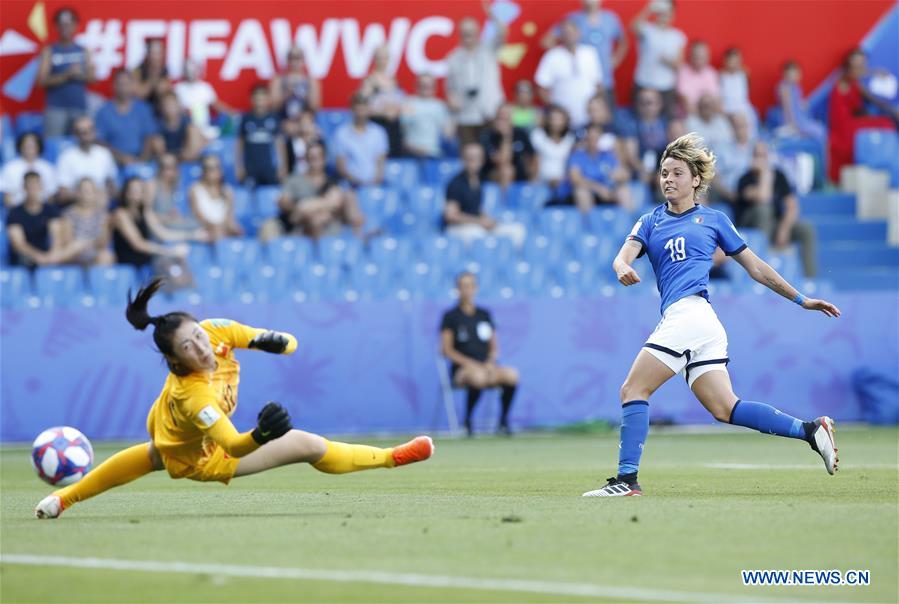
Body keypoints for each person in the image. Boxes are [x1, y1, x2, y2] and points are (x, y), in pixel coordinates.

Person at [34, 277, 435, 519]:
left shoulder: (214, 330)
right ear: (174, 360)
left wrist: (272, 342)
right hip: (205, 456)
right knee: (310, 445)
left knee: (153, 455)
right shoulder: (194, 396)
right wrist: (261, 434)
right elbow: (233, 445)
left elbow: (290, 343)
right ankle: (64, 498)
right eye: (189, 347)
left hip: (174, 433)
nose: (201, 347)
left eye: (198, 336)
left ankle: (60, 498)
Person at [581, 133, 840, 498]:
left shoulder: (714, 219)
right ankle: (811, 430)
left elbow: (757, 268)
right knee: (725, 407)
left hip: (691, 315)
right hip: (698, 323)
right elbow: (623, 254)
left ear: (696, 180)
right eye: (663, 173)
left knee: (633, 389)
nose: (667, 179)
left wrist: (801, 299)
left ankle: (627, 480)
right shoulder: (650, 221)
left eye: (676, 173)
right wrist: (621, 266)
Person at [441, 272, 519, 436]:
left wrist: (490, 362)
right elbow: (447, 350)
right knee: (478, 378)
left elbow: (494, 346)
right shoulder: (450, 317)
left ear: (475, 288)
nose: (467, 290)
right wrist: (471, 364)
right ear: (458, 289)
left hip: (487, 366)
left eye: (470, 286)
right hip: (463, 369)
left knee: (512, 375)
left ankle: (503, 421)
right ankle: (468, 421)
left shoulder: (484, 315)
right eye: (463, 286)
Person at [735, 142, 818, 277]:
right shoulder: (745, 179)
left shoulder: (779, 176)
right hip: (751, 227)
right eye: (757, 155)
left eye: (764, 155)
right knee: (764, 210)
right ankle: (763, 271)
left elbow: (793, 206)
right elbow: (763, 197)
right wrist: (764, 175)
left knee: (806, 229)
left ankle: (810, 279)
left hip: (775, 224)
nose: (761, 159)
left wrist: (784, 229)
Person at [264, 141, 364, 240]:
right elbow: (286, 203)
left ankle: (360, 241)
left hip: (328, 223)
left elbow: (336, 203)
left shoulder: (332, 181)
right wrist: (304, 210)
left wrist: (307, 206)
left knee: (348, 199)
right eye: (311, 158)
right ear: (306, 160)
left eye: (318, 157)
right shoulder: (294, 180)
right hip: (301, 225)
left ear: (324, 159)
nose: (315, 161)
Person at [541, 0, 628, 109]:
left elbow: (623, 42)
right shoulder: (573, 18)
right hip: (580, 84)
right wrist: (563, 56)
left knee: (606, 119)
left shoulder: (611, 19)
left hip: (605, 80)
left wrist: (616, 59)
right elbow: (546, 41)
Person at [827, 49, 897, 183]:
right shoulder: (844, 79)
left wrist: (893, 110)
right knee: (886, 124)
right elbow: (856, 76)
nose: (861, 66)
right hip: (843, 125)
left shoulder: (856, 82)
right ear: (849, 63)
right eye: (858, 63)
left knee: (886, 121)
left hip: (854, 120)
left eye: (863, 62)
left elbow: (874, 100)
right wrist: (876, 71)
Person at [445, 2, 507, 145]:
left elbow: (503, 33)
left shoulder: (488, 49)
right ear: (460, 35)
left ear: (478, 33)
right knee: (469, 154)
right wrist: (452, 100)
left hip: (490, 112)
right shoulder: (454, 57)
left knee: (492, 153)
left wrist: (493, 16)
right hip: (466, 115)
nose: (468, 38)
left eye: (471, 34)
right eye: (465, 34)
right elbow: (450, 88)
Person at [443, 143, 526, 246]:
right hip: (459, 228)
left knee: (517, 230)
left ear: (481, 161)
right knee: (478, 235)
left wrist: (488, 220)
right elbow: (451, 216)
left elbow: (476, 209)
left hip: (476, 224)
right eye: (469, 158)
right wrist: (479, 222)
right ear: (463, 159)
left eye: (475, 158)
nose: (472, 161)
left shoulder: (478, 180)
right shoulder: (455, 183)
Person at [534, 18, 603, 130]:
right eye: (565, 33)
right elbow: (541, 87)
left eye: (572, 32)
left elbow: (598, 84)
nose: (569, 36)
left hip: (588, 119)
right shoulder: (552, 55)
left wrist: (598, 110)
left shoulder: (590, 53)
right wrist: (555, 111)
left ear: (578, 33)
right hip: (562, 122)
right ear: (561, 36)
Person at [37, 7, 94, 137]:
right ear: (56, 26)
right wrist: (66, 75)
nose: (65, 28)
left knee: (79, 147)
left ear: (76, 25)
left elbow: (93, 78)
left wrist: (80, 74)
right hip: (55, 108)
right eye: (62, 25)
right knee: (54, 146)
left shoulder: (84, 50)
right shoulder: (49, 51)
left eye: (69, 24)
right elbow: (41, 81)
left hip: (79, 107)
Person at [111, 177, 188, 273]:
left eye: (140, 190)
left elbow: (163, 233)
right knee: (168, 265)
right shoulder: (120, 214)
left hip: (146, 259)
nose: (136, 193)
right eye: (133, 190)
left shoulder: (145, 211)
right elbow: (138, 244)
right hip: (129, 261)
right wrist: (169, 251)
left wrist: (192, 235)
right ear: (126, 192)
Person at [5, 172, 78, 267]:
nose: (33, 190)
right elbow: (19, 244)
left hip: (48, 255)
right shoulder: (15, 213)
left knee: (74, 248)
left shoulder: (50, 210)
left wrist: (52, 254)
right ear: (24, 188)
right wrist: (38, 256)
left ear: (41, 187)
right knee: (26, 259)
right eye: (30, 186)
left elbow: (56, 236)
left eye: (36, 185)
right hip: (25, 257)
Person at [630, 0, 686, 118]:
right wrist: (649, 9)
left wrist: (667, 61)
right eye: (662, 11)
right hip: (643, 83)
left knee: (666, 122)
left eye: (668, 11)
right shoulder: (647, 29)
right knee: (639, 120)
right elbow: (633, 27)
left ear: (673, 13)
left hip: (666, 87)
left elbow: (679, 65)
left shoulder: (677, 36)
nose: (665, 14)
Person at [95, 69, 162, 165]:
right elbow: (100, 142)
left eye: (126, 84)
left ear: (132, 86)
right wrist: (121, 158)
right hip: (113, 163)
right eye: (120, 84)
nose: (123, 88)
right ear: (113, 86)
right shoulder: (104, 112)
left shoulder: (143, 109)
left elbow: (149, 137)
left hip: (141, 161)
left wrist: (141, 161)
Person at [565, 122, 631, 212]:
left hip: (608, 190)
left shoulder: (608, 155)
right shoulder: (577, 156)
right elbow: (576, 179)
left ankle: (628, 223)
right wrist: (598, 188)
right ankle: (588, 223)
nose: (593, 141)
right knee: (582, 193)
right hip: (589, 190)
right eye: (590, 138)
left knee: (624, 191)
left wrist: (619, 176)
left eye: (596, 138)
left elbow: (623, 174)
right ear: (585, 139)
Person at [56, 116, 119, 204]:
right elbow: (63, 194)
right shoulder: (66, 157)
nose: (86, 135)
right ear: (75, 135)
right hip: (76, 204)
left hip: (101, 203)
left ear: (94, 132)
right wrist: (86, 195)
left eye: (89, 130)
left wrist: (106, 193)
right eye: (82, 132)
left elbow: (112, 185)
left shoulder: (104, 154)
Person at [145, 153, 206, 240]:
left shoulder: (173, 186)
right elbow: (146, 215)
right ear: (159, 168)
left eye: (171, 167)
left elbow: (169, 212)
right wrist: (165, 218)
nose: (166, 171)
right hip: (158, 228)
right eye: (163, 167)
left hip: (169, 223)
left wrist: (173, 215)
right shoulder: (152, 185)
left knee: (198, 223)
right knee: (197, 231)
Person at [333, 94, 389, 187]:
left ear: (368, 110)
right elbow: (341, 166)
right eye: (358, 110)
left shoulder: (379, 133)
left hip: (374, 185)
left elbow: (381, 162)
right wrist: (358, 183)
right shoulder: (341, 134)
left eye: (363, 109)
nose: (360, 114)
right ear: (352, 110)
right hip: (350, 186)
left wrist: (374, 182)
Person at [360, 46, 406, 157]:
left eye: (385, 58)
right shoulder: (370, 81)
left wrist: (397, 110)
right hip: (378, 124)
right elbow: (362, 106)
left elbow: (402, 102)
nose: (383, 61)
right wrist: (383, 112)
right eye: (380, 58)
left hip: (395, 127)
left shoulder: (393, 80)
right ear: (374, 59)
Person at [237, 84, 286, 187]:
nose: (260, 102)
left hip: (269, 169)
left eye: (262, 99)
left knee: (271, 196)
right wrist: (239, 167)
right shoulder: (246, 119)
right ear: (251, 100)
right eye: (257, 99)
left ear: (268, 100)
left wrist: (282, 167)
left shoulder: (274, 118)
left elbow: (279, 144)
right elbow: (240, 145)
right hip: (251, 170)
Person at [60, 178, 115, 267]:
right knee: (76, 246)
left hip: (94, 251)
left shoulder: (103, 214)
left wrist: (86, 244)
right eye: (83, 190)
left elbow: (103, 242)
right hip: (74, 253)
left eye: (89, 191)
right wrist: (80, 247)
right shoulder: (68, 214)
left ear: (95, 193)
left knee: (106, 256)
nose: (86, 194)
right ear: (77, 193)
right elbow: (67, 242)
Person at [188, 155, 243, 242]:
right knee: (215, 233)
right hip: (204, 227)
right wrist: (213, 226)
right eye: (209, 168)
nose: (213, 171)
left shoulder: (228, 191)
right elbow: (197, 215)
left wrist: (227, 227)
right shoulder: (195, 189)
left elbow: (229, 217)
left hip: (223, 228)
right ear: (203, 171)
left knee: (237, 230)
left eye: (216, 167)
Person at [479, 103, 535, 187]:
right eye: (500, 118)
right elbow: (502, 161)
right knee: (507, 171)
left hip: (519, 173)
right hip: (493, 173)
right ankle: (506, 200)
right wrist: (506, 137)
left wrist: (532, 175)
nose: (502, 122)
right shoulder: (488, 136)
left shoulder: (521, 134)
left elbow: (533, 156)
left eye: (506, 119)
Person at [174, 59, 232, 139]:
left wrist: (232, 112)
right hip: (186, 126)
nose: (191, 72)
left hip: (204, 125)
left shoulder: (205, 87)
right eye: (189, 69)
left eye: (194, 69)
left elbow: (217, 105)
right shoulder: (178, 88)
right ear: (184, 71)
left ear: (199, 70)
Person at [401, 74, 454, 159]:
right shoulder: (409, 103)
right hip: (412, 152)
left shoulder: (440, 106)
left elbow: (448, 133)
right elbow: (402, 130)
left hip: (434, 153)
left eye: (429, 85)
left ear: (434, 87)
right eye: (423, 85)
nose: (426, 88)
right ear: (417, 86)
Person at [776, 60, 827, 144]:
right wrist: (792, 126)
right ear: (785, 75)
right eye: (790, 74)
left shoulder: (796, 87)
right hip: (792, 118)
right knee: (819, 131)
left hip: (800, 116)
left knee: (820, 129)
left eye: (796, 74)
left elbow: (798, 103)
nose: (794, 77)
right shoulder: (784, 88)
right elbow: (787, 108)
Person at [1, 133, 58, 206]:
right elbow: (7, 198)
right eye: (26, 145)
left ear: (38, 147)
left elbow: (51, 197)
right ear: (20, 146)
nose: (29, 148)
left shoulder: (47, 168)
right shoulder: (9, 168)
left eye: (32, 145)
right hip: (17, 210)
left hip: (42, 211)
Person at [530, 104, 576, 193]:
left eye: (559, 119)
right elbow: (535, 160)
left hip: (565, 182)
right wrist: (534, 179)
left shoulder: (571, 139)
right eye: (553, 119)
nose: (556, 123)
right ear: (548, 120)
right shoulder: (538, 135)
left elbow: (572, 162)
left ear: (565, 121)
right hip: (543, 181)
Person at [270, 46, 321, 117]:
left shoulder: (310, 81)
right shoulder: (278, 80)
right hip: (283, 119)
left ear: (303, 60)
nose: (294, 62)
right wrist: (287, 94)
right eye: (292, 57)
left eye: (298, 58)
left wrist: (302, 94)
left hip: (305, 121)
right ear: (287, 60)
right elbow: (273, 107)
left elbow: (314, 108)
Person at [157, 91, 205, 162]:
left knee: (193, 130)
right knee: (155, 140)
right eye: (167, 105)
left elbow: (199, 139)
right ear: (162, 108)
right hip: (169, 157)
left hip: (187, 153)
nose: (170, 109)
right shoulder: (159, 125)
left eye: (173, 105)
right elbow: (160, 149)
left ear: (178, 106)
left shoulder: (186, 121)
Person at [676, 40, 719, 115]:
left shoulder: (711, 73)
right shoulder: (683, 71)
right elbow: (684, 99)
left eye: (702, 57)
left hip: (708, 114)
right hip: (688, 114)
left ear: (708, 57)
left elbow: (715, 98)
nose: (699, 60)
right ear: (690, 56)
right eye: (696, 57)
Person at [133, 38, 171, 110]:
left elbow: (163, 92)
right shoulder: (138, 70)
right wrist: (152, 77)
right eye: (153, 53)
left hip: (159, 109)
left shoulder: (165, 70)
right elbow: (139, 94)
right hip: (141, 108)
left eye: (158, 53)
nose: (155, 57)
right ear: (147, 54)